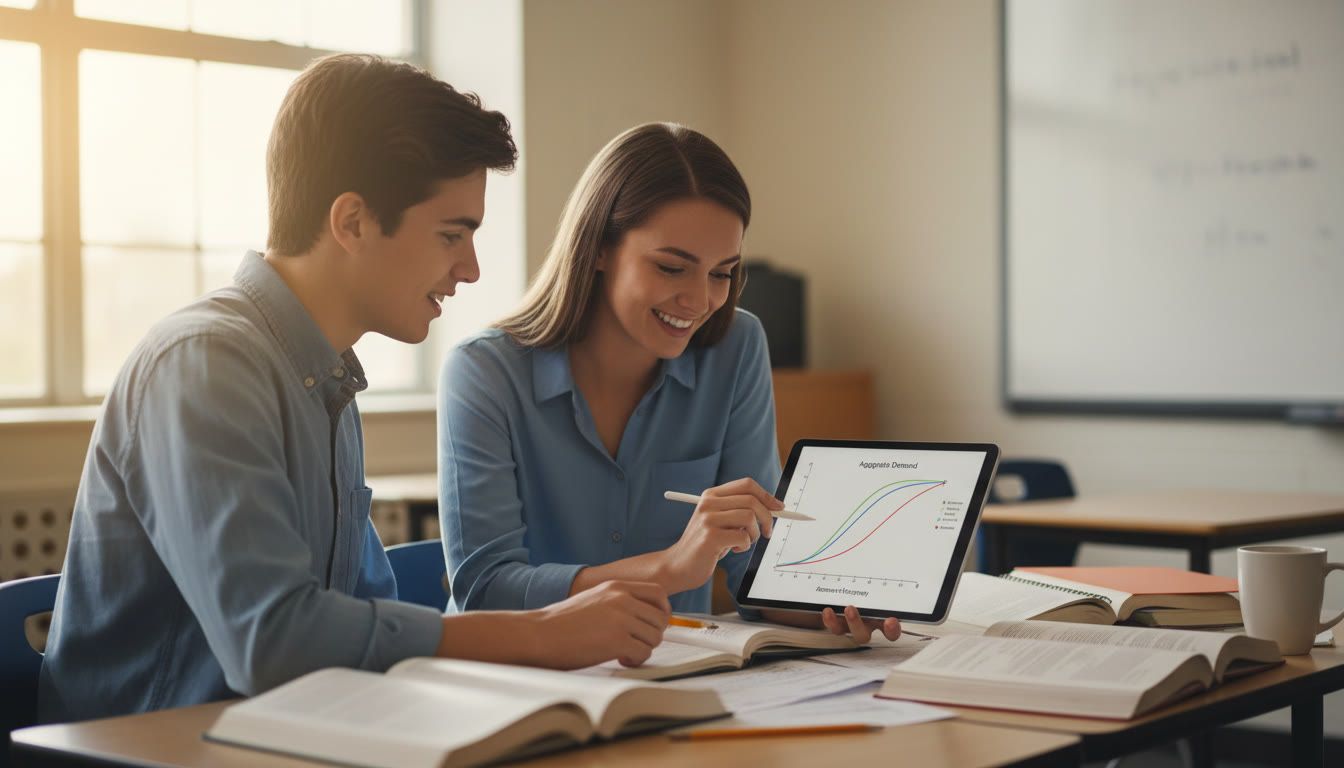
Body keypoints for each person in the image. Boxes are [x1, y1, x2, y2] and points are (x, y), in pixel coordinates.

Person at [38, 54, 670, 724]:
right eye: (452, 234)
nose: (471, 268)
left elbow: (359, 620)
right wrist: (541, 634)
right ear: (353, 222)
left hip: (295, 734)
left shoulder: (327, 376)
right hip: (154, 748)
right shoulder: (205, 365)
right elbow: (273, 641)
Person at [437, 123, 899, 642]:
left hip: (680, 672)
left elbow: (754, 569)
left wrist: (829, 605)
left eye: (722, 273)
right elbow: (485, 588)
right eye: (672, 268)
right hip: (523, 677)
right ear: (598, 249)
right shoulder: (483, 373)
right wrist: (671, 567)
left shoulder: (736, 346)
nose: (700, 301)